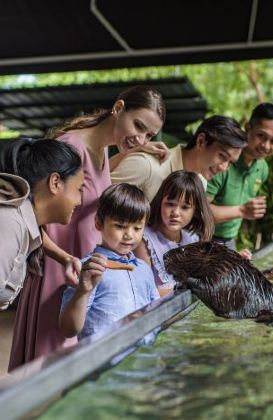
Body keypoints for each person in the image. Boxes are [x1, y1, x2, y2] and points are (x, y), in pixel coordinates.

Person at [9, 85, 166, 370]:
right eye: (138, 126)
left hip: (85, 273)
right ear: (118, 108)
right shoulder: (70, 146)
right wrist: (64, 258)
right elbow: (30, 213)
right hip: (59, 274)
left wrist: (138, 147)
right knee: (49, 373)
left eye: (149, 134)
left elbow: (96, 180)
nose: (141, 137)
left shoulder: (103, 151)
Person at [60, 183, 159, 339]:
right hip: (105, 359)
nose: (129, 235)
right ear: (99, 223)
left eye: (137, 228)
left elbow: (156, 315)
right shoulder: (88, 269)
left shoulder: (144, 269)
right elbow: (68, 330)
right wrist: (82, 291)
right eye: (120, 226)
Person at [0, 138, 83, 310]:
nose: (80, 201)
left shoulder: (22, 221)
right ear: (55, 183)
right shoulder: (11, 223)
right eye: (78, 190)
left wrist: (66, 258)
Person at [207, 103, 273, 254]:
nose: (266, 146)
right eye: (261, 136)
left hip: (229, 240)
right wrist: (242, 211)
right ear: (248, 128)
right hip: (201, 238)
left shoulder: (262, 168)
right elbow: (198, 213)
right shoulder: (224, 161)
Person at [110, 115, 248, 201]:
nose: (224, 168)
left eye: (230, 163)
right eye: (222, 156)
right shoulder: (145, 165)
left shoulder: (200, 183)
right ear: (201, 141)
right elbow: (96, 207)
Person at [136, 170, 214, 296]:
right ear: (160, 202)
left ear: (195, 210)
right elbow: (144, 292)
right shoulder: (144, 240)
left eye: (185, 207)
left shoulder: (192, 239)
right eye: (170, 204)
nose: (175, 213)